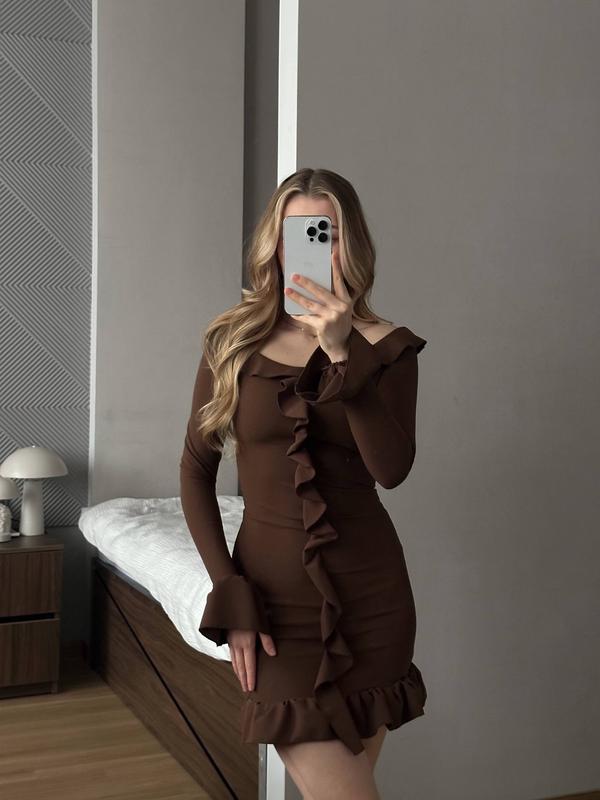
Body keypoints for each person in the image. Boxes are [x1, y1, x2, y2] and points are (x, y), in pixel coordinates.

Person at [179, 167, 427, 800]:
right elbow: (196, 470)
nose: (316, 247)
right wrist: (230, 589)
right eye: (301, 232)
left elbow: (391, 470)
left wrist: (345, 355)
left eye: (329, 232)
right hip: (275, 606)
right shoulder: (233, 341)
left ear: (353, 243)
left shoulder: (387, 348)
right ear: (277, 243)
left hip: (372, 598)